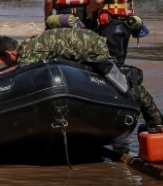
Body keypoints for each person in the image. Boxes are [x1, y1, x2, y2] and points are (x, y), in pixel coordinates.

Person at [18, 18, 163, 131]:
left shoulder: (29, 49)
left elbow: (24, 77)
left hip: (90, 47)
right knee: (117, 79)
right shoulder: (37, 41)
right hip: (93, 38)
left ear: (9, 53)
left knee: (121, 82)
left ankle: (157, 122)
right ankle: (157, 121)